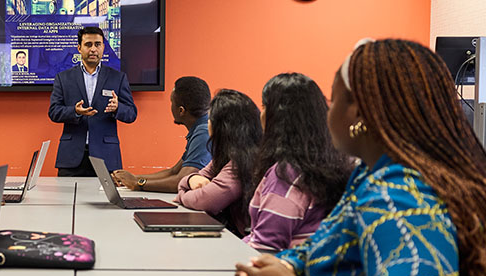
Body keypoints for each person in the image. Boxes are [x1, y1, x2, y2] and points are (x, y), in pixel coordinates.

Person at [228, 39, 486, 276]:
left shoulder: (399, 191)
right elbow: (330, 244)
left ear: (358, 114)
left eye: (333, 100)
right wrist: (285, 265)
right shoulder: (372, 174)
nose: (327, 113)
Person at [240, 73, 352, 251]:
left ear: (276, 116)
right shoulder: (332, 162)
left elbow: (265, 248)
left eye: (264, 106)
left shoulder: (286, 174)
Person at [48, 27, 137, 177]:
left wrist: (117, 108)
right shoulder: (63, 78)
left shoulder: (117, 77)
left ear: (103, 47)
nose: (93, 49)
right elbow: (54, 112)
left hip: (106, 156)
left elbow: (131, 113)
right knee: (67, 200)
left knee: (105, 200)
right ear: (79, 48)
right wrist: (74, 111)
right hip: (71, 157)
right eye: (88, 45)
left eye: (98, 44)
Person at [174, 88, 261, 236]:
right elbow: (187, 179)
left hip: (249, 244)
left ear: (222, 127)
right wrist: (191, 180)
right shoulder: (227, 156)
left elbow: (206, 201)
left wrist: (181, 195)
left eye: (210, 119)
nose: (207, 123)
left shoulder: (242, 162)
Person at [112, 76, 211, 192]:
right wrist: (133, 178)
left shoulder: (204, 133)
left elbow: (181, 181)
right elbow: (173, 171)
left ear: (181, 111)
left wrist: (138, 184)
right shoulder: (200, 129)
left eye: (171, 102)